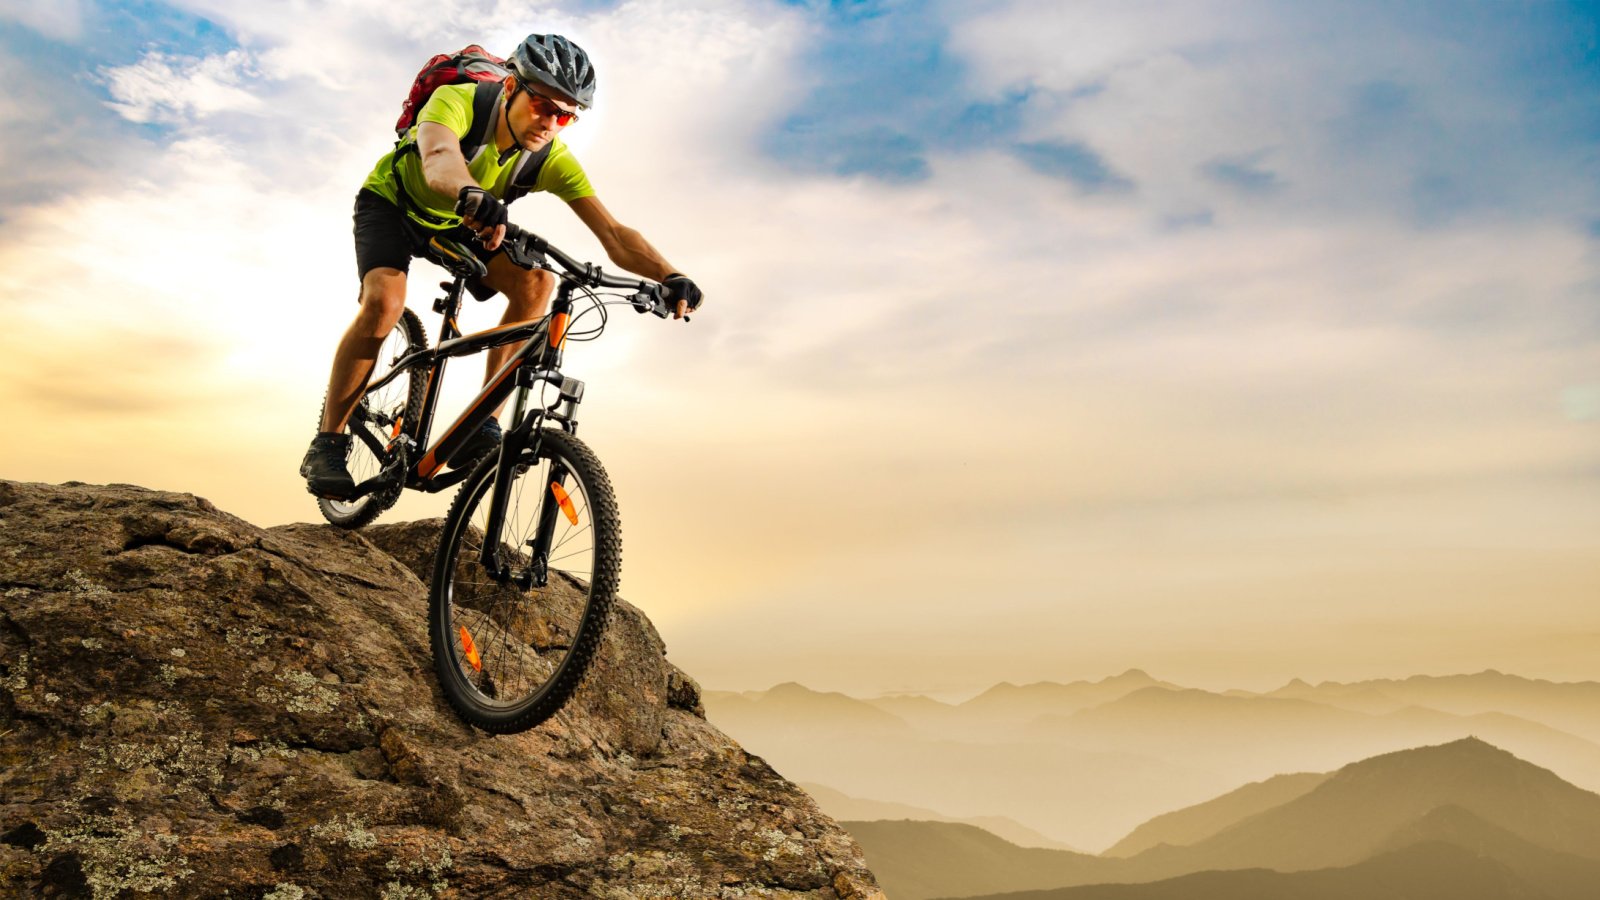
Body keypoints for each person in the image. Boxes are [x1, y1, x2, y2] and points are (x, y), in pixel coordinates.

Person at [301, 33, 702, 500]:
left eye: (566, 114)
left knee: (538, 282)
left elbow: (612, 234)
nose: (551, 122)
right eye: (543, 105)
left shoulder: (549, 158)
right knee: (384, 301)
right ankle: (327, 442)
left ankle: (483, 427)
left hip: (469, 219)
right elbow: (438, 159)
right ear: (512, 87)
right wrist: (474, 194)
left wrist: (670, 275)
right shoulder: (459, 101)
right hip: (396, 204)